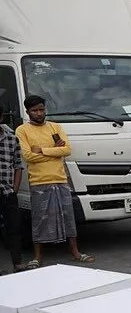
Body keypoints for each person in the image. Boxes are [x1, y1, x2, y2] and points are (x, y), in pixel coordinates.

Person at [16, 96, 93, 268]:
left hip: (60, 179)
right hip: (38, 181)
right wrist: (54, 150)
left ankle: (75, 252)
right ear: (28, 112)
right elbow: (28, 156)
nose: (39, 113)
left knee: (68, 217)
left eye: (41, 109)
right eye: (34, 110)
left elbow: (66, 150)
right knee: (40, 219)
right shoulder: (22, 130)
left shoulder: (55, 127)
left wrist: (42, 150)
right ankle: (37, 256)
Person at [0, 118, 25, 272]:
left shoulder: (12, 138)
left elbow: (18, 165)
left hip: (8, 192)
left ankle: (17, 263)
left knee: (14, 228)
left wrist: (15, 189)